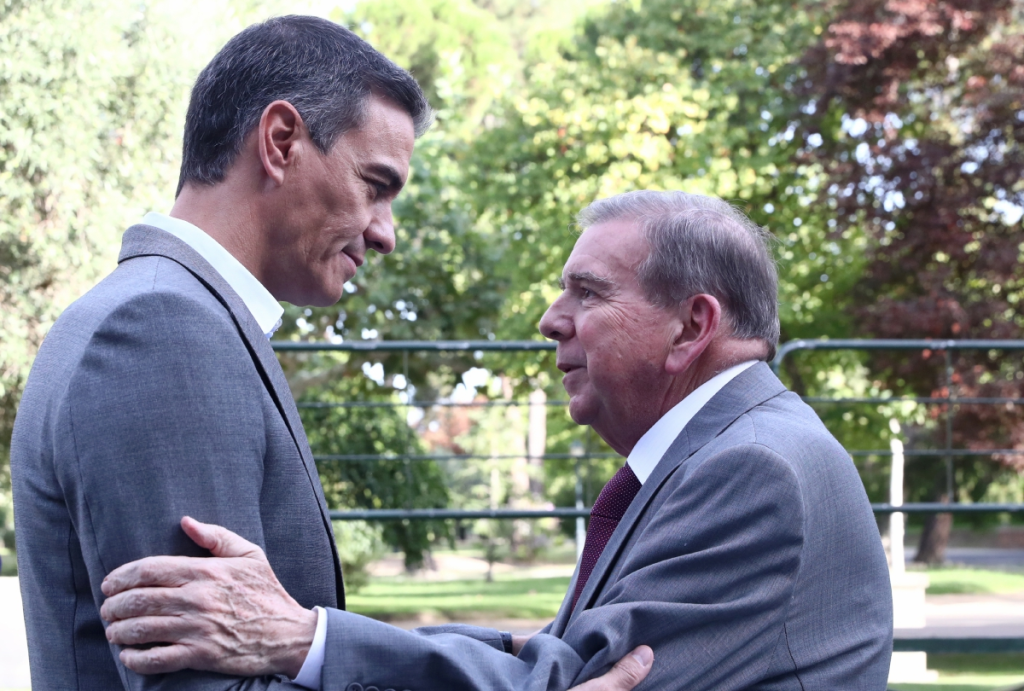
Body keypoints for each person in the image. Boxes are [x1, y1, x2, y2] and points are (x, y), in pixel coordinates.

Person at [10, 15, 647, 691]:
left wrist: (504, 651)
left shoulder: (159, 312)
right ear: (280, 141)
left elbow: (281, 632)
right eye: (375, 185)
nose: (386, 234)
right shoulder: (165, 331)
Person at [100, 190, 895, 689]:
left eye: (586, 292)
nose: (550, 319)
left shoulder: (754, 470)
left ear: (692, 325)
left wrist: (300, 638)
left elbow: (570, 677)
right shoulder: (733, 449)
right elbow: (558, 652)